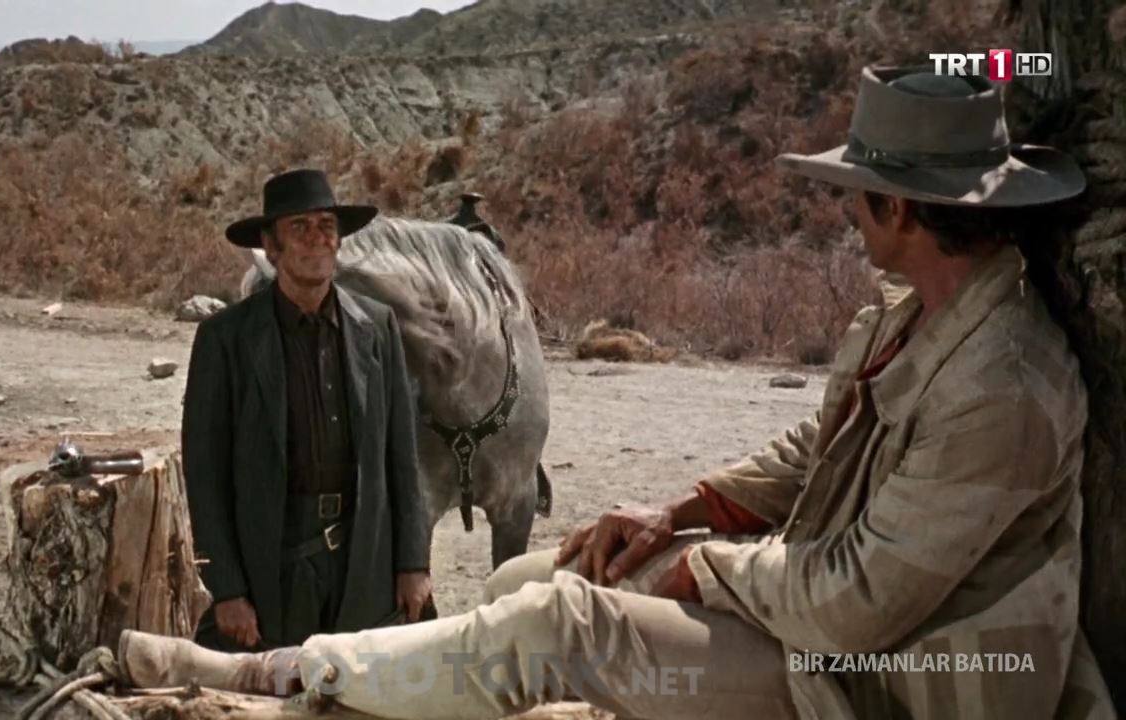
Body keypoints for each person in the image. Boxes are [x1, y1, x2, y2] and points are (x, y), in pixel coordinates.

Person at [140, 67, 1115, 718]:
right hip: (825, 621)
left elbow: (858, 604)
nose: (848, 212)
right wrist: (677, 511)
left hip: (890, 676)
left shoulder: (1003, 387)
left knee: (558, 620)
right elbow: (817, 449)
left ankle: (280, 675)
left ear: (896, 208)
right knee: (530, 577)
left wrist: (705, 568)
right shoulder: (913, 318)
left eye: (857, 193)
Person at [180, 168, 433, 653]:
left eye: (326, 226)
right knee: (275, 684)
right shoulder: (226, 339)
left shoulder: (377, 327)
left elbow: (402, 457)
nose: (317, 238)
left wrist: (413, 562)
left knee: (359, 683)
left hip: (362, 559)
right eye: (299, 227)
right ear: (270, 247)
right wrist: (227, 590)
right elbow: (205, 476)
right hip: (272, 565)